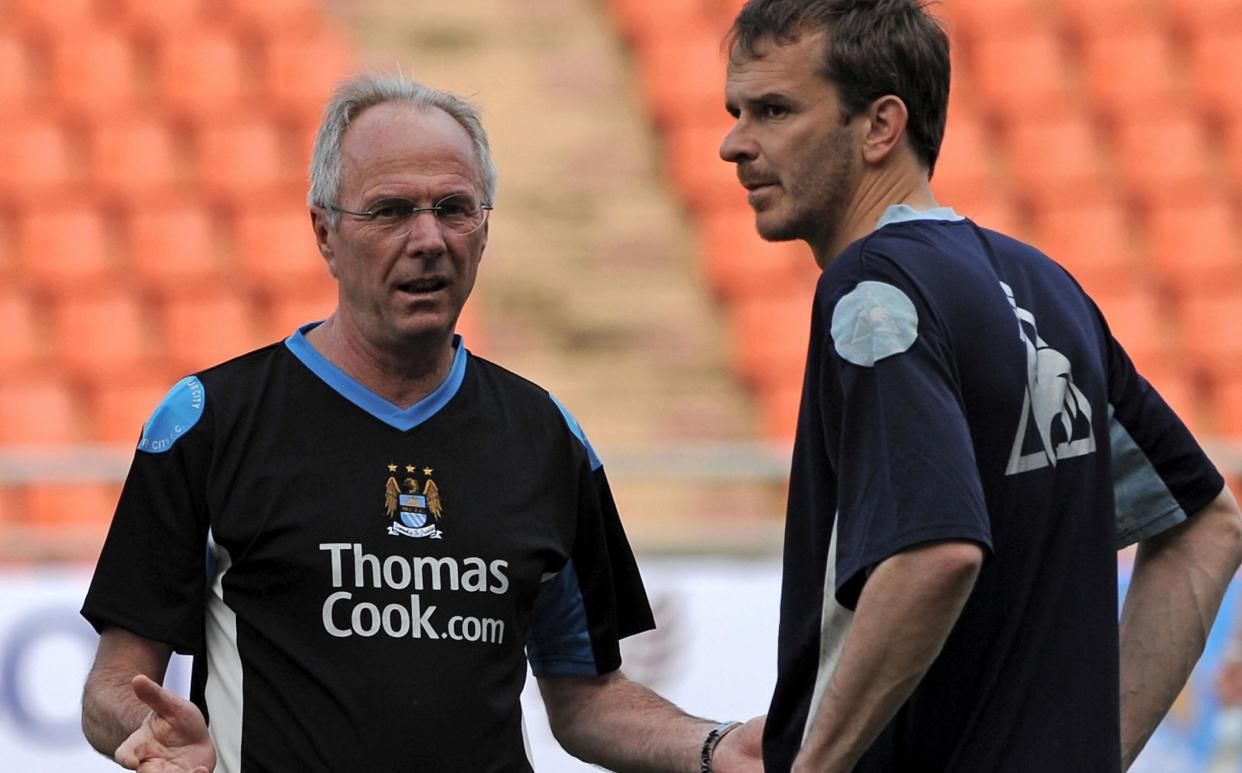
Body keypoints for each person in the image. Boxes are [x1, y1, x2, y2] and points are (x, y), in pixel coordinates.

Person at [80, 73, 762, 773]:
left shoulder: (546, 437)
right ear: (325, 232)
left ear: (486, 227)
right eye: (390, 211)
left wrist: (714, 747)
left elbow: (587, 697)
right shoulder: (210, 421)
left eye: (454, 208)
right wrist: (149, 730)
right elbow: (111, 683)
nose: (429, 238)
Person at [717, 1, 1242, 770]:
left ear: (880, 127)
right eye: (737, 111)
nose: (734, 143)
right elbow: (1209, 525)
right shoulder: (1042, 282)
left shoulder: (872, 288)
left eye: (773, 110)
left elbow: (936, 552)